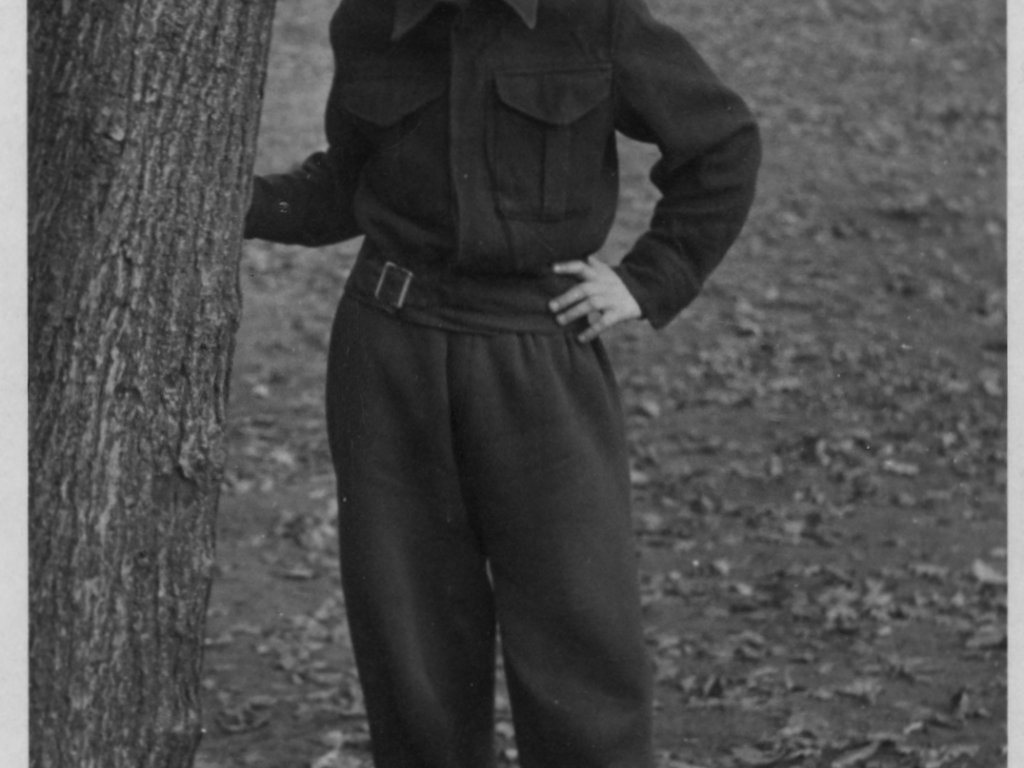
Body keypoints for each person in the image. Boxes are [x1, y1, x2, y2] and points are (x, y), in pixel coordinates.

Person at [244, 0, 760, 765]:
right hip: (392, 353)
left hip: (538, 352)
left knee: (581, 632)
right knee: (411, 639)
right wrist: (239, 203)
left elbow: (721, 144)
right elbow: (349, 183)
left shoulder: (597, 19)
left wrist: (649, 280)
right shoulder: (371, 18)